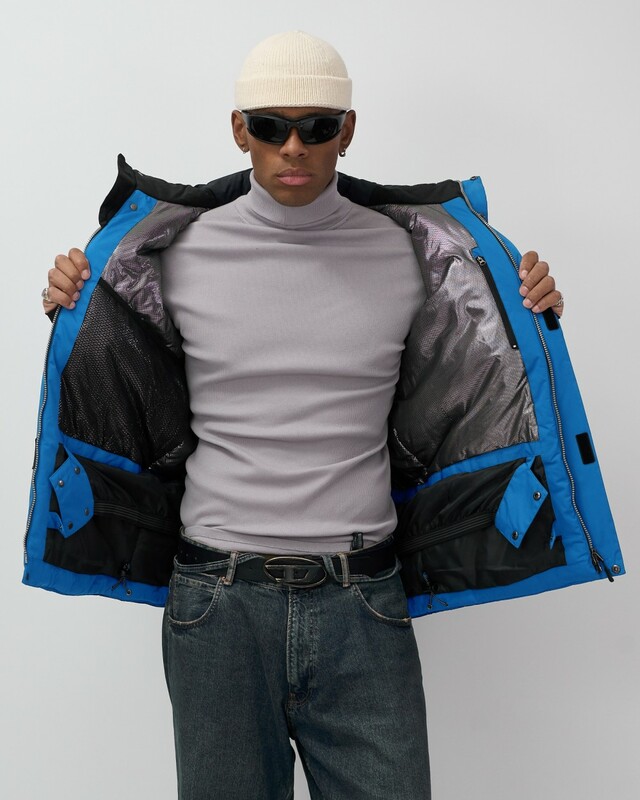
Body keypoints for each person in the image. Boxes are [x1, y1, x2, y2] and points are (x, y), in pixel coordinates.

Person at [34, 31, 577, 800]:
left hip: (364, 601)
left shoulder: (418, 255)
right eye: (271, 126)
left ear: (346, 131)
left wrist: (533, 312)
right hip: (217, 603)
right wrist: (69, 305)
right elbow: (115, 363)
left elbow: (481, 360)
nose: (294, 147)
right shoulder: (170, 255)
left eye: (317, 127)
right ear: (239, 130)